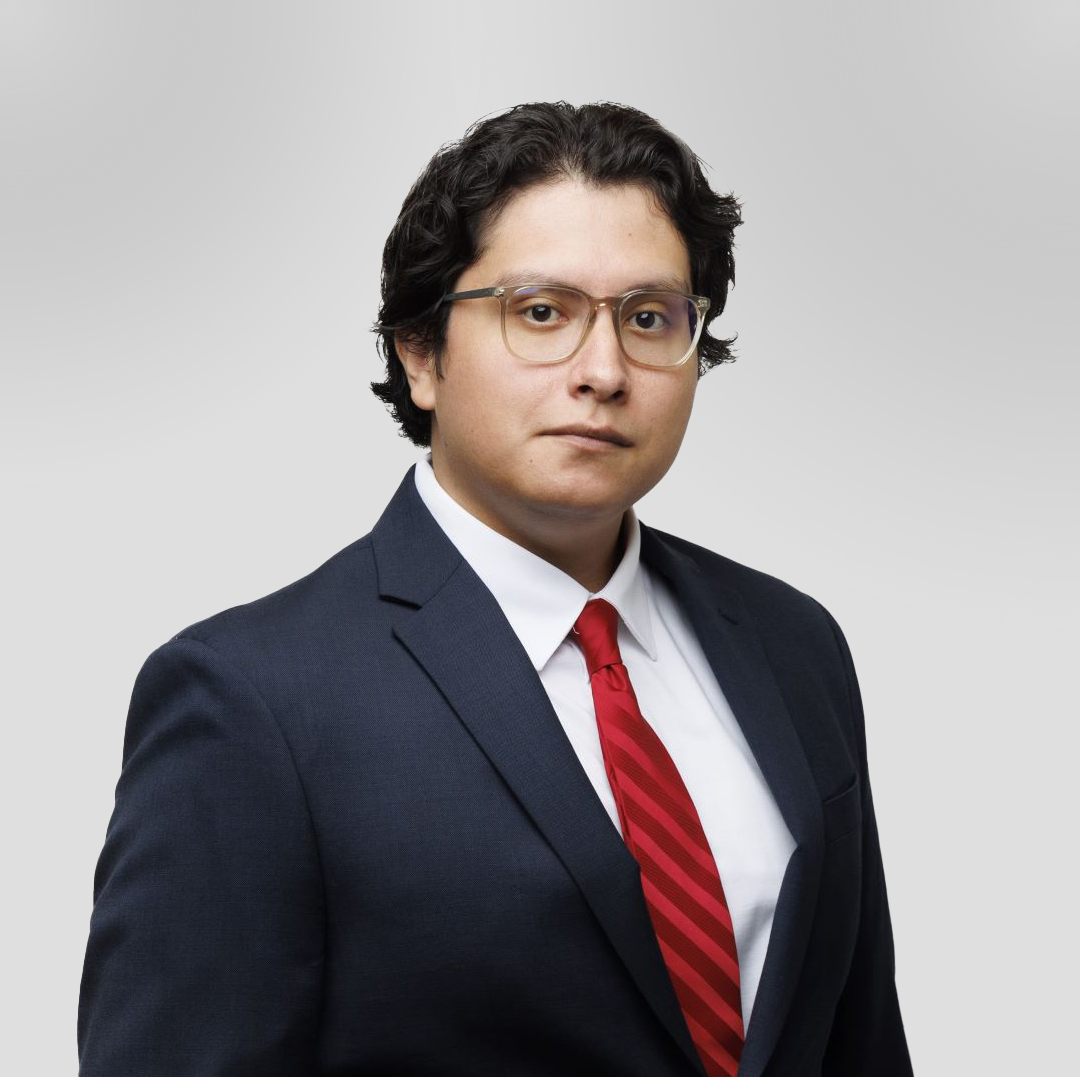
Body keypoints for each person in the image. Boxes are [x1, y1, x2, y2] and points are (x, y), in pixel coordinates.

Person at [78, 101, 913, 1077]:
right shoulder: (252, 700)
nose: (604, 371)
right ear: (420, 353)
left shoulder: (793, 644)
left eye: (649, 318)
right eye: (542, 313)